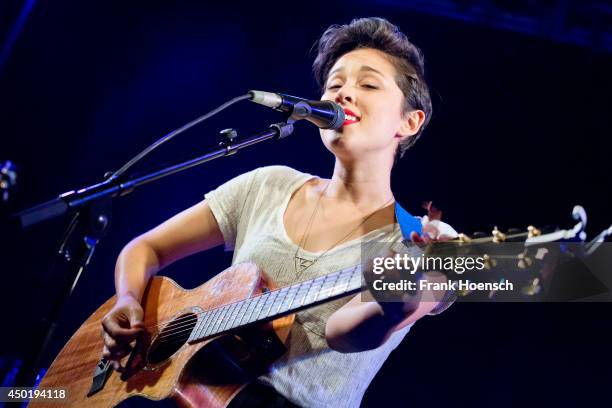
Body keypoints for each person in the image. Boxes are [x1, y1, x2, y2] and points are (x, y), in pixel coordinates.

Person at [101, 17, 457, 407]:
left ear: (410, 121)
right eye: (334, 85)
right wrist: (127, 300)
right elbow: (145, 249)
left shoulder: (419, 243)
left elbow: (345, 334)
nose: (343, 94)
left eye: (368, 84)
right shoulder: (269, 185)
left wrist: (399, 300)